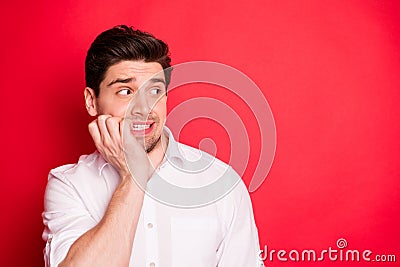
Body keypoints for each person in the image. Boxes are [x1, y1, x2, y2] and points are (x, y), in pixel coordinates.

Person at [42, 25, 261, 267]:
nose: (143, 108)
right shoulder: (71, 185)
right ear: (91, 101)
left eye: (154, 90)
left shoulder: (221, 182)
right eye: (125, 91)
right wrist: (133, 176)